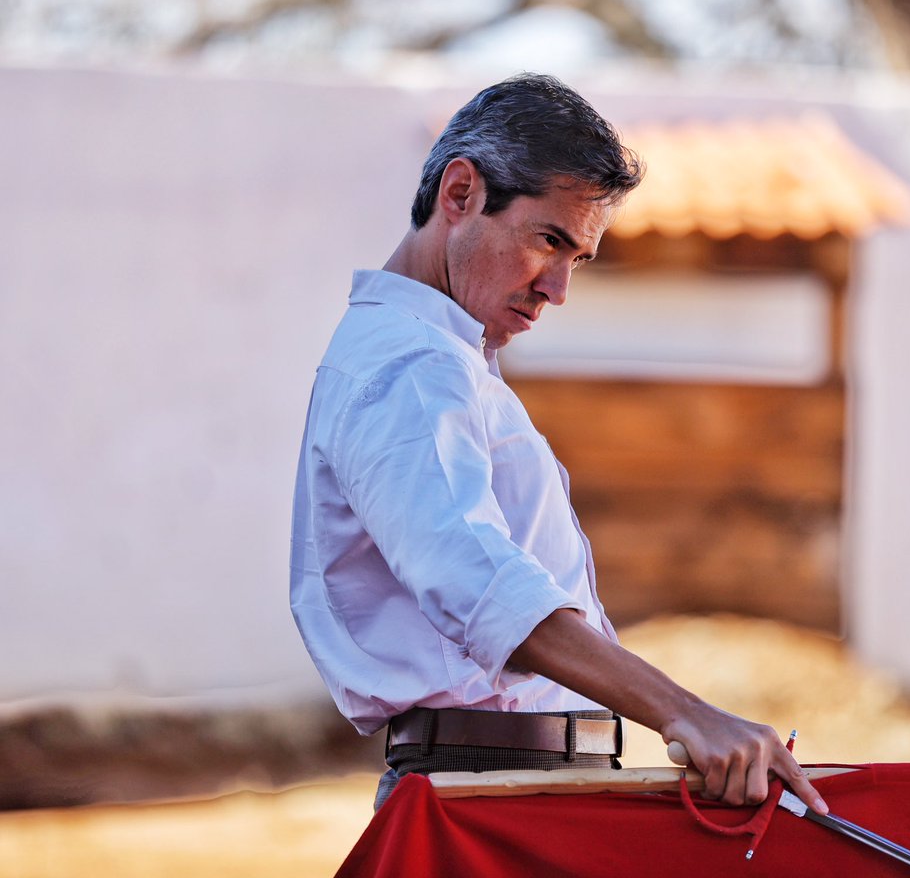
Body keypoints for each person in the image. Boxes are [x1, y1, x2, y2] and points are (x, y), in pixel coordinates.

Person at [289, 73, 828, 817]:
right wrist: (685, 712)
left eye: (579, 259)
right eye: (549, 241)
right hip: (482, 796)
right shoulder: (412, 362)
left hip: (507, 784)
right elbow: (478, 583)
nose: (558, 290)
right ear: (460, 194)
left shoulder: (438, 357)